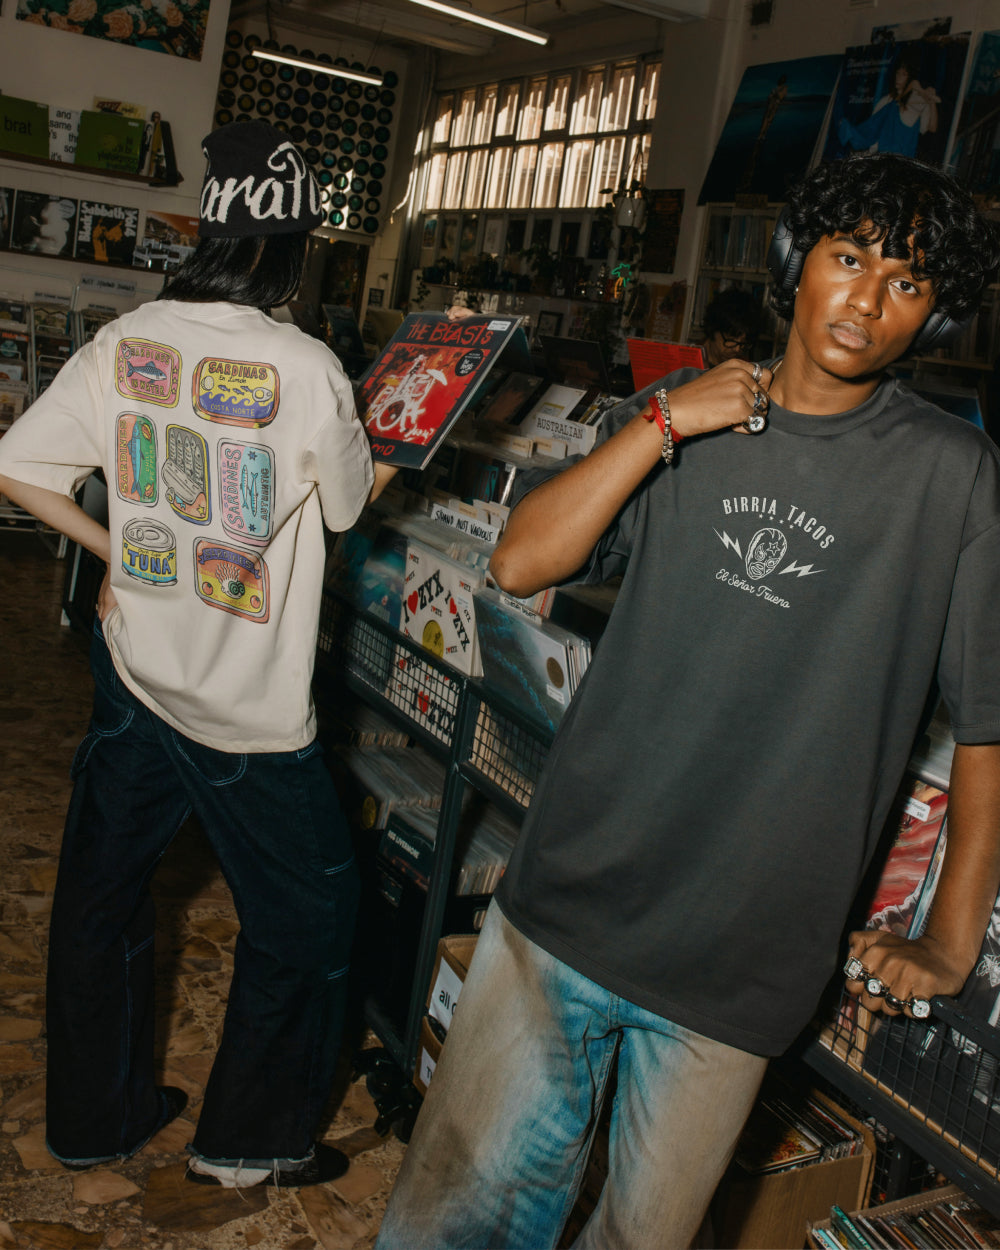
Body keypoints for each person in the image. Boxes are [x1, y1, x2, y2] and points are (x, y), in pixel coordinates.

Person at [374, 151, 1000, 1249]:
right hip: (568, 897)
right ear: (796, 261)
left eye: (906, 282)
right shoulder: (675, 416)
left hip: (741, 958)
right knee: (455, 1220)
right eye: (848, 259)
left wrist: (949, 941)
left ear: (934, 315)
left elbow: (989, 721)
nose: (866, 301)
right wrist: (663, 423)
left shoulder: (953, 476)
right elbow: (520, 561)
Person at [0, 120, 396, 1187]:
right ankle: (247, 1143)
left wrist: (115, 549)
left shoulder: (127, 338)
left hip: (135, 672)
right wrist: (402, 446)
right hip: (245, 712)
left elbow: (17, 465)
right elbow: (348, 508)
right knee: (310, 915)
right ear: (294, 249)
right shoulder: (309, 367)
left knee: (100, 898)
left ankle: (98, 1118)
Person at [839, 51, 939, 158]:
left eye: (904, 74)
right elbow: (871, 129)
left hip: (901, 160)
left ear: (910, 78)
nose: (898, 78)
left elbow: (932, 128)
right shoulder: (885, 101)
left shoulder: (917, 102)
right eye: (897, 73)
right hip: (881, 157)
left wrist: (931, 102)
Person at [700, 287, 764, 367]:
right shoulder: (688, 362)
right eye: (731, 339)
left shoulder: (746, 367)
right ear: (713, 330)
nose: (737, 349)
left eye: (743, 342)